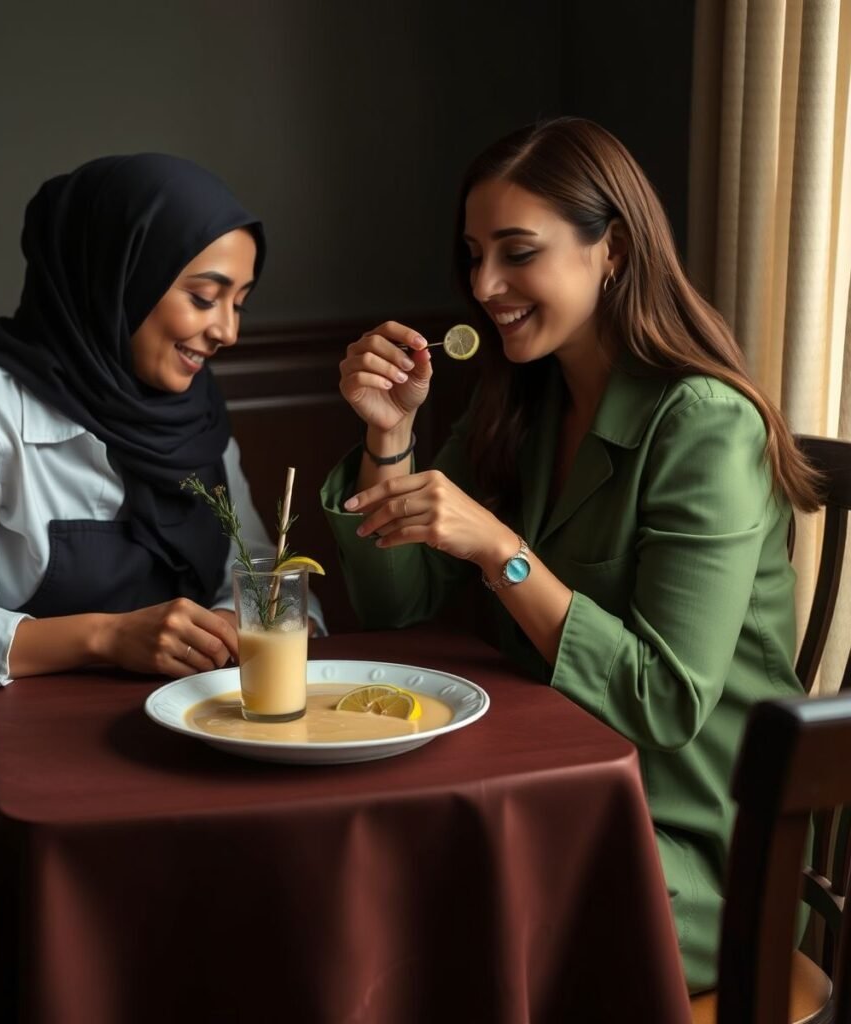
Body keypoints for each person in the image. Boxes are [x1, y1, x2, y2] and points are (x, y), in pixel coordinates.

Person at [322, 117, 819, 993]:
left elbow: (664, 701)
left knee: (418, 914)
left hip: (683, 856)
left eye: (518, 253)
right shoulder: (523, 403)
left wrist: (503, 551)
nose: (484, 285)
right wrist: (390, 437)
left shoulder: (705, 427)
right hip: (541, 799)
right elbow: (396, 603)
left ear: (612, 250)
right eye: (474, 255)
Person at [0, 153, 323, 1021]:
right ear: (116, 275)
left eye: (240, 303)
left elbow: (259, 580)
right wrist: (108, 635)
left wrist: (250, 621)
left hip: (145, 774)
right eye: (205, 297)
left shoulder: (197, 419)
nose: (228, 332)